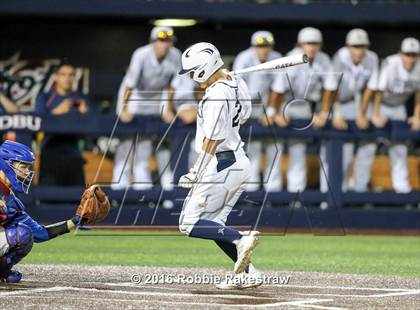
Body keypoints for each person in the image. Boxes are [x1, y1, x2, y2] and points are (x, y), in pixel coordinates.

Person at [177, 42, 261, 290]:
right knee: (214, 224)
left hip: (222, 163)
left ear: (204, 68)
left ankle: (240, 238)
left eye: (192, 71)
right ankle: (248, 273)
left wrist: (196, 171)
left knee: (188, 223)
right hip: (238, 161)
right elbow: (245, 114)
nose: (191, 77)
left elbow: (212, 139)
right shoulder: (235, 83)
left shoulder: (216, 95)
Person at [0, 140, 83, 283]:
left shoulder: (11, 201)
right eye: (23, 166)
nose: (26, 172)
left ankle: (2, 271)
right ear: (7, 164)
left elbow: (40, 234)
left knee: (23, 235)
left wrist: (76, 221)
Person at [112, 26, 181, 191]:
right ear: (153, 42)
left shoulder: (176, 55)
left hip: (156, 100)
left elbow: (172, 86)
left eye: (168, 41)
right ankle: (118, 189)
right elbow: (129, 85)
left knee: (144, 145)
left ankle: (141, 191)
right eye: (161, 41)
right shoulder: (141, 54)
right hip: (134, 97)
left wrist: (167, 108)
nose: (165, 45)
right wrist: (124, 109)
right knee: (126, 144)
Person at [270, 27, 336, 192]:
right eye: (308, 43)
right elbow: (278, 90)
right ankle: (271, 193)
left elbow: (330, 87)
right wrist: (274, 113)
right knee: (274, 148)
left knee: (298, 148)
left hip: (303, 106)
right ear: (300, 45)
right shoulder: (291, 59)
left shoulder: (323, 59)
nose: (312, 47)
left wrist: (324, 113)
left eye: (315, 44)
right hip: (284, 103)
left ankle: (296, 192)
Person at [319, 29, 379, 192]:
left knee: (368, 144)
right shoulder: (340, 57)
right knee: (340, 152)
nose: (359, 50)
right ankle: (331, 193)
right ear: (348, 46)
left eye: (362, 46)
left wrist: (362, 113)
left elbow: (371, 88)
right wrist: (336, 113)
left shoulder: (372, 58)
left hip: (356, 101)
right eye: (355, 46)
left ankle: (359, 192)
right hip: (337, 102)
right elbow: (333, 88)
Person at [360, 38, 420, 193]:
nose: (411, 59)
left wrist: (417, 116)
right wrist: (375, 114)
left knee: (399, 147)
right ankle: (359, 188)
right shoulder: (391, 63)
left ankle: (402, 189)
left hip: (399, 106)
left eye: (414, 55)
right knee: (368, 146)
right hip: (380, 104)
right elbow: (378, 90)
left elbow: (419, 94)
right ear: (400, 54)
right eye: (407, 54)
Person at [232, 31, 283, 191]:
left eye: (267, 46)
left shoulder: (277, 58)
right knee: (250, 149)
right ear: (254, 47)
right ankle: (249, 191)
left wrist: (271, 111)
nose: (263, 50)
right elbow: (236, 87)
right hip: (243, 105)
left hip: (266, 105)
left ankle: (273, 193)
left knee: (274, 147)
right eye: (260, 46)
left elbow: (279, 87)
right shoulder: (244, 58)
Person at [35, 62, 89, 185]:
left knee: (75, 199)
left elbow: (88, 133)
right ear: (56, 77)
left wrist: (85, 117)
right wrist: (56, 112)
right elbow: (37, 124)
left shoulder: (81, 99)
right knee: (48, 198)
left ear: (75, 77)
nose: (67, 78)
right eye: (63, 74)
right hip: (50, 152)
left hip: (73, 154)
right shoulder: (45, 97)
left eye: (71, 75)